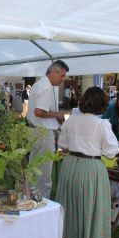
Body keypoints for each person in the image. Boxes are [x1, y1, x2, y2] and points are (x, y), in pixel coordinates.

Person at [55, 87, 119, 238]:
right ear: (102, 104)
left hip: (70, 165)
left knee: (70, 201)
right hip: (91, 167)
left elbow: (63, 146)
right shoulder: (102, 124)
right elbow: (111, 152)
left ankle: (68, 233)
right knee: (90, 204)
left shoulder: (71, 121)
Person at [26, 60, 68, 198]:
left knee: (34, 169)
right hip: (43, 133)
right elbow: (39, 112)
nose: (63, 79)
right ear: (53, 72)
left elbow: (39, 112)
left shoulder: (39, 84)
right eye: (62, 75)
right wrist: (57, 114)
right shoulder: (46, 87)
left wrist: (55, 116)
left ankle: (30, 198)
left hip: (35, 131)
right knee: (44, 174)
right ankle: (42, 203)